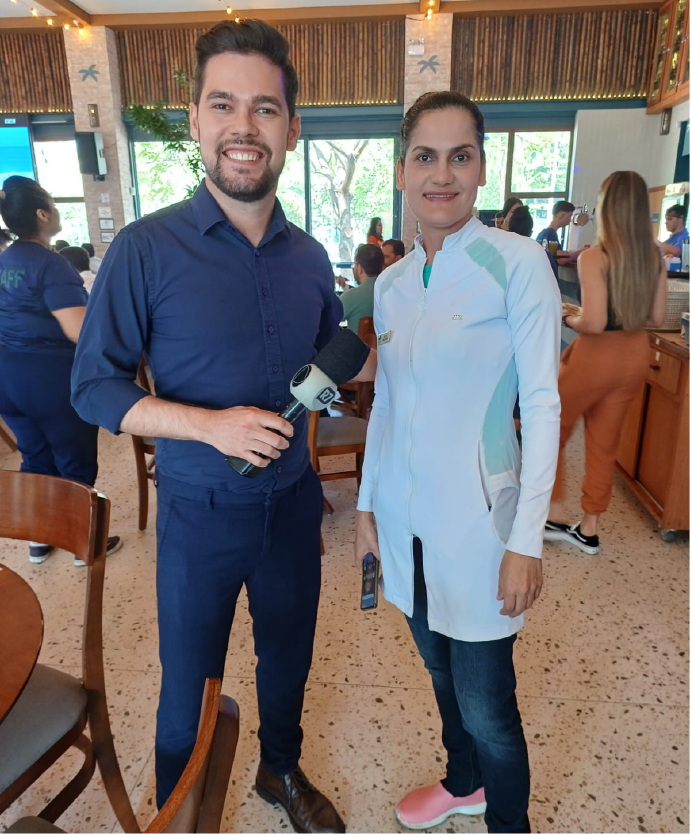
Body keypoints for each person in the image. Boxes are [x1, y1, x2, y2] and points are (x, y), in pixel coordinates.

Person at [71, 20, 374, 834]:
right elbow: (93, 388)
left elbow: (318, 366)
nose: (245, 127)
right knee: (187, 686)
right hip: (199, 518)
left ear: (291, 129)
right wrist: (208, 427)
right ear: (198, 121)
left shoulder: (313, 258)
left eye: (265, 109)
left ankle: (279, 772)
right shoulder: (144, 250)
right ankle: (184, 809)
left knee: (287, 665)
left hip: (293, 511)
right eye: (224, 105)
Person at [354, 91, 561, 834]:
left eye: (459, 155)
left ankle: (509, 823)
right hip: (406, 527)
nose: (441, 174)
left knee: (489, 707)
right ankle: (462, 782)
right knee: (439, 677)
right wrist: (368, 509)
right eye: (425, 156)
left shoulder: (516, 263)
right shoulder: (392, 282)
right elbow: (384, 404)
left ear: (479, 169)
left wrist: (524, 541)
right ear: (402, 170)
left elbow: (540, 406)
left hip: (481, 529)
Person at [0, 176, 121, 566]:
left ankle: (39, 541)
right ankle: (82, 544)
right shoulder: (51, 265)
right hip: (49, 379)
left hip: (6, 378)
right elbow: (77, 330)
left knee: (35, 456)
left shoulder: (4, 262)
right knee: (75, 459)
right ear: (41, 213)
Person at [545, 172, 667, 554]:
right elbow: (655, 317)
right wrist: (594, 312)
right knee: (604, 443)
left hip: (595, 358)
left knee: (551, 427)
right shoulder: (655, 256)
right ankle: (590, 526)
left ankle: (554, 512)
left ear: (609, 208)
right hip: (634, 356)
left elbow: (594, 324)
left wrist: (568, 317)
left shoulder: (595, 257)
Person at [340, 243, 383, 334]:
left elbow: (326, 321)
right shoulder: (392, 293)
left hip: (356, 348)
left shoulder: (351, 296)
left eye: (355, 264)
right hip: (385, 347)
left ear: (359, 268)